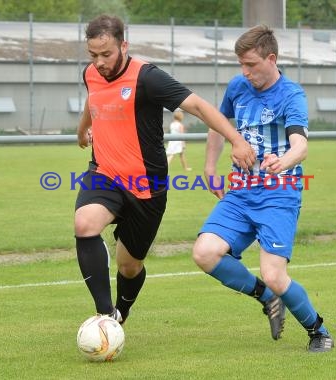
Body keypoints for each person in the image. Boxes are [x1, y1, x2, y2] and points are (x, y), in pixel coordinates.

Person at [75, 15, 255, 326]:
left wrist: (236, 140)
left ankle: (122, 311)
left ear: (124, 45)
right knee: (85, 222)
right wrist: (82, 130)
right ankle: (105, 318)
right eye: (93, 55)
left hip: (147, 188)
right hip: (105, 173)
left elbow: (197, 106)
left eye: (107, 54)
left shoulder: (147, 77)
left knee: (129, 266)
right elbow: (93, 99)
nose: (100, 62)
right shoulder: (91, 73)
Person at [192, 25, 334, 352]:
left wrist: (282, 162)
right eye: (241, 64)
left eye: (251, 65)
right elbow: (218, 125)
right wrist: (210, 168)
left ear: (271, 59)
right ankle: (267, 297)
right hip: (241, 192)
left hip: (278, 194)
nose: (245, 72)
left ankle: (318, 330)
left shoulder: (291, 95)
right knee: (204, 252)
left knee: (274, 274)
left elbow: (301, 146)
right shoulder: (238, 87)